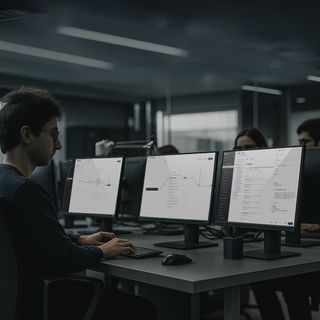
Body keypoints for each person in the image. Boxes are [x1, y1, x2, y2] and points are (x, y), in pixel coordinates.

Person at [0, 86, 157, 320]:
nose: (59, 145)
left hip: (15, 302)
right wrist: (101, 251)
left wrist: (80, 239)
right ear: (26, 134)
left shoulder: (6, 184)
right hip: (50, 303)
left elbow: (34, 236)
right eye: (53, 134)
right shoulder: (27, 191)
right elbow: (66, 259)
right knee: (143, 309)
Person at [250, 118, 320, 320]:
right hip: (301, 246)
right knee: (259, 278)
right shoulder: (304, 176)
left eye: (304, 142)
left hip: (312, 257)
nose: (300, 148)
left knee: (292, 281)